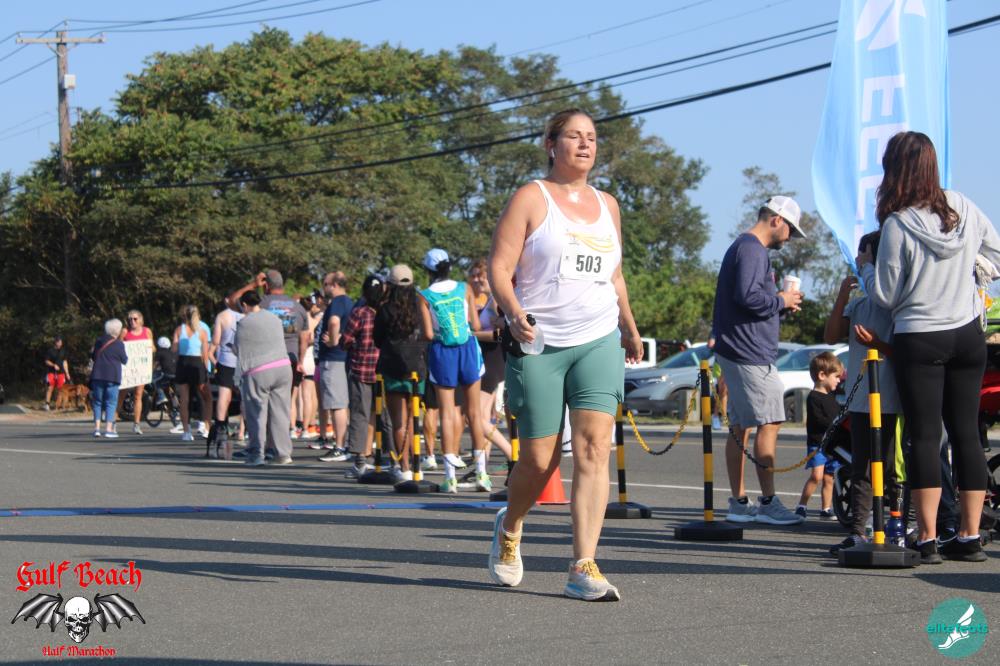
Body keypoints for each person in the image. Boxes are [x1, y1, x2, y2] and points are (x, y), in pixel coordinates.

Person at [487, 109, 643, 601]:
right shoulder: (531, 198)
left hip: (598, 337)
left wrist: (629, 325)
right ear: (551, 144)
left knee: (595, 448)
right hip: (540, 340)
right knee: (540, 459)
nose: (584, 144)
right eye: (574, 136)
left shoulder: (608, 205)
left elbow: (614, 274)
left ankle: (583, 565)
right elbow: (499, 268)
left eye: (591, 137)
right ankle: (511, 525)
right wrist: (513, 311)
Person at [859, 130, 1000, 563]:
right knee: (967, 434)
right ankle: (970, 536)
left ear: (894, 170)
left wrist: (866, 269)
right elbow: (996, 255)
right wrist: (974, 268)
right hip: (967, 333)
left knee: (922, 436)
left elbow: (885, 295)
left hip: (920, 335)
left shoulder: (898, 224)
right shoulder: (964, 206)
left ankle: (926, 539)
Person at [713, 195, 807, 526]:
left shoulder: (744, 248)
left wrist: (780, 304)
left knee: (741, 426)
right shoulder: (752, 250)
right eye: (791, 229)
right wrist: (781, 299)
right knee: (770, 421)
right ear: (776, 220)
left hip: (740, 349)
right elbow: (748, 297)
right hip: (750, 351)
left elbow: (748, 299)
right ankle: (767, 502)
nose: (790, 237)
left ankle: (739, 502)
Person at [825, 231, 902, 555]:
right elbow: (831, 336)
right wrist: (842, 295)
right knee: (862, 468)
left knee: (890, 468)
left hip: (892, 400)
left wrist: (877, 344)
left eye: (862, 254)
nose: (857, 260)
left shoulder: (897, 304)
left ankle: (895, 529)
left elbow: (907, 352)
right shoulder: (859, 304)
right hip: (860, 401)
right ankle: (858, 531)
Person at [419, 248, 489, 493]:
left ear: (428, 270)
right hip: (468, 347)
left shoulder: (424, 296)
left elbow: (428, 334)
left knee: (447, 413)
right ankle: (481, 474)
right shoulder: (464, 288)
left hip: (442, 351)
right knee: (475, 412)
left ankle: (450, 478)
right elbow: (476, 325)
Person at [229, 270, 309, 442]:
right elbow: (305, 336)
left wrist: (253, 284)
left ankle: (263, 444)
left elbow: (233, 300)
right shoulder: (298, 307)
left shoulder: (262, 303)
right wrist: (301, 361)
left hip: (265, 361)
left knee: (261, 405)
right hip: (290, 360)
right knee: (284, 404)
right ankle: (280, 443)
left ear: (266, 285)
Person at [373, 264, 429, 483]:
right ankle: (417, 465)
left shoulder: (385, 309)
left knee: (399, 421)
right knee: (414, 419)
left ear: (391, 285)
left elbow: (377, 339)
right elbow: (428, 334)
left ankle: (404, 467)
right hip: (417, 366)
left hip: (392, 368)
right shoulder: (420, 305)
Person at [234, 291, 294, 466]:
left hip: (259, 370)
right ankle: (283, 453)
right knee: (281, 413)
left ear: (244, 305)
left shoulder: (244, 323)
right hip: (283, 367)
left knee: (256, 414)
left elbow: (238, 349)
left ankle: (256, 454)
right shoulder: (274, 318)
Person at [468, 258, 513, 461]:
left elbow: (502, 332)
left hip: (493, 359)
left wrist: (471, 335)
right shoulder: (488, 299)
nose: (477, 279)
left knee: (474, 415)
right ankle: (482, 462)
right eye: (474, 275)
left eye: (481, 275)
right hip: (489, 358)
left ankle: (511, 453)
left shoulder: (495, 299)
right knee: (484, 413)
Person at [794, 352, 847, 520]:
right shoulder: (813, 398)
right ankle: (802, 505)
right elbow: (819, 420)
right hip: (818, 445)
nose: (839, 380)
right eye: (836, 376)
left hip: (831, 445)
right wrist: (835, 423)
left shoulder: (832, 398)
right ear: (822, 375)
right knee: (816, 476)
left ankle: (826, 509)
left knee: (829, 478)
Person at [340, 275, 384, 478]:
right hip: (383, 371)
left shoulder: (359, 313)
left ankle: (360, 462)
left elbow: (346, 340)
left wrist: (351, 344)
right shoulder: (385, 312)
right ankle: (389, 458)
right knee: (383, 416)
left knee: (360, 415)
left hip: (361, 370)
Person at [315, 271, 354, 461]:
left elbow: (334, 321)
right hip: (343, 358)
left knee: (337, 404)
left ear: (335, 285)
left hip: (334, 358)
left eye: (326, 284)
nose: (324, 288)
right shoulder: (349, 302)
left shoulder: (338, 302)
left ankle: (340, 446)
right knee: (341, 403)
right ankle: (342, 444)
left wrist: (333, 340)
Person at [208, 298, 244, 459]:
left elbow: (216, 341)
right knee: (245, 397)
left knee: (224, 396)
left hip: (226, 360)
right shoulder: (248, 315)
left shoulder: (222, 316)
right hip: (244, 360)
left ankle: (221, 426)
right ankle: (243, 430)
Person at [172, 305, 213, 442]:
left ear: (185, 315)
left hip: (183, 363)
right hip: (197, 364)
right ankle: (207, 428)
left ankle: (186, 431)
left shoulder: (179, 330)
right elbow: (205, 355)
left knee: (184, 399)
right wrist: (206, 372)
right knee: (207, 397)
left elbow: (174, 350)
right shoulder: (202, 332)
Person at [89, 319, 129, 438]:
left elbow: (93, 356)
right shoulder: (119, 344)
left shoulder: (98, 341)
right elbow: (125, 360)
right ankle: (108, 429)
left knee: (97, 402)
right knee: (111, 403)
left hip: (98, 375)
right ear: (118, 330)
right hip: (113, 376)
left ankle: (97, 429)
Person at [118, 310, 154, 435]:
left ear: (140, 320)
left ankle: (136, 424)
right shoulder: (125, 332)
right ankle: (112, 422)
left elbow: (153, 347)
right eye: (130, 319)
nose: (132, 321)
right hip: (127, 368)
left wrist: (149, 348)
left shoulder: (147, 331)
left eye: (135, 319)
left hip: (141, 368)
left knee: (138, 395)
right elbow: (118, 347)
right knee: (122, 394)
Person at [43, 336, 70, 410]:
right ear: (56, 342)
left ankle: (58, 405)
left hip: (61, 372)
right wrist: (53, 365)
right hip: (51, 372)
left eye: (61, 342)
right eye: (59, 342)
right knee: (50, 387)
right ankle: (47, 404)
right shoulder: (50, 351)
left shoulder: (63, 351)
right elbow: (46, 361)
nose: (60, 343)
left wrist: (67, 373)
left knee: (60, 389)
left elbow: (65, 362)